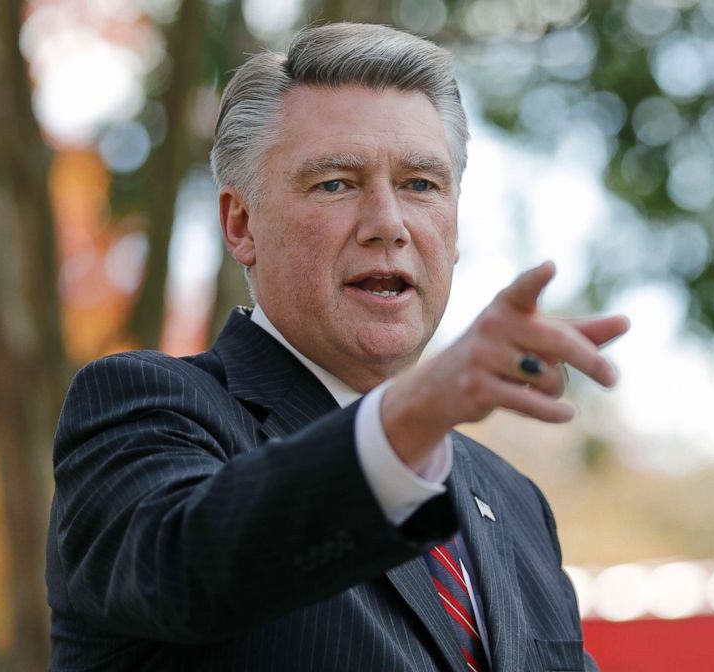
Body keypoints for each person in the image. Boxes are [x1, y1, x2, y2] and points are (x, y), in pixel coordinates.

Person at [46, 22, 628, 672]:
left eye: (420, 185)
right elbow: (192, 566)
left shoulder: (515, 502)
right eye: (335, 183)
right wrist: (417, 412)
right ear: (241, 225)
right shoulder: (146, 411)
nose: (388, 224)